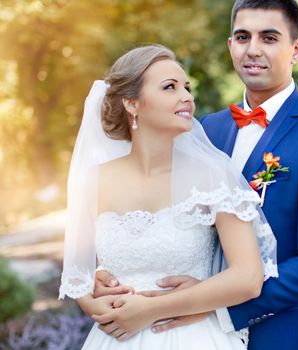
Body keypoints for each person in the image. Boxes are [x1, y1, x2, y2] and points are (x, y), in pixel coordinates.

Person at [96, 0, 298, 349]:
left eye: (268, 38)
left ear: (296, 50)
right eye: (242, 36)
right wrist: (109, 273)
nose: (253, 49)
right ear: (230, 45)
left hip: (280, 335)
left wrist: (214, 305)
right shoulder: (204, 130)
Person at [59, 44, 278, 349]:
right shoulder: (95, 179)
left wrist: (152, 309)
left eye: (187, 88)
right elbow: (78, 275)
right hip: (115, 340)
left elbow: (248, 277)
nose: (187, 97)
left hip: (195, 338)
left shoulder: (212, 175)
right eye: (170, 87)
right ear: (133, 104)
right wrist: (91, 300)